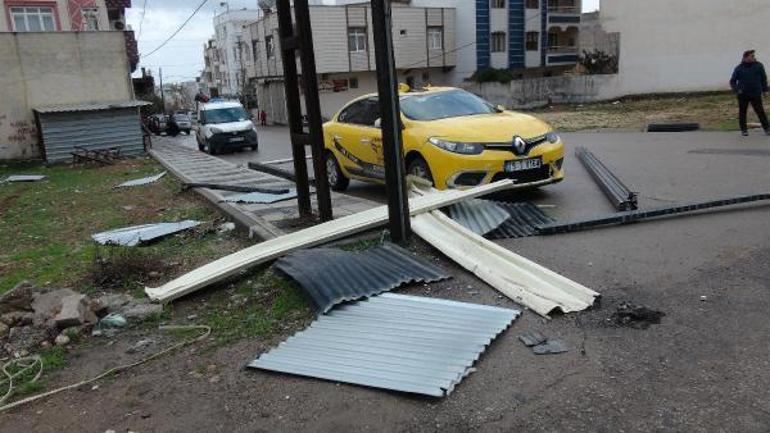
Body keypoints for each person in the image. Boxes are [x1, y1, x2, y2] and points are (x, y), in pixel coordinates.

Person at [730, 50, 769, 136]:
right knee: (742, 112)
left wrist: (765, 90)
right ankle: (744, 130)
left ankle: (767, 128)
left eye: (754, 56)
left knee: (760, 111)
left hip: (755, 93)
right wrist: (737, 90)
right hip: (743, 94)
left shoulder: (759, 66)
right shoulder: (739, 68)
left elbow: (764, 78)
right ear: (745, 57)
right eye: (752, 56)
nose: (754, 57)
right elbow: (732, 81)